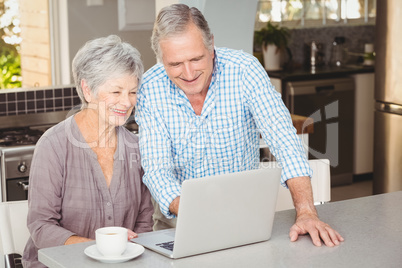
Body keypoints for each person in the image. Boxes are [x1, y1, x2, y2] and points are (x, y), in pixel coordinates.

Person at [135, 4, 343, 247]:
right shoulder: (149, 88)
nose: (189, 73)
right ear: (161, 60)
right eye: (175, 64)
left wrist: (306, 212)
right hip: (179, 225)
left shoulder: (244, 70)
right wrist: (198, 214)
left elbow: (284, 140)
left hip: (245, 220)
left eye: (196, 58)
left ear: (211, 45)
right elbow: (157, 169)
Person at [22, 35, 154, 267]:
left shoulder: (136, 146)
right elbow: (41, 227)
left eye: (132, 92)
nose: (126, 102)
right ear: (87, 90)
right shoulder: (53, 145)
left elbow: (144, 219)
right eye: (116, 92)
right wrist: (97, 248)